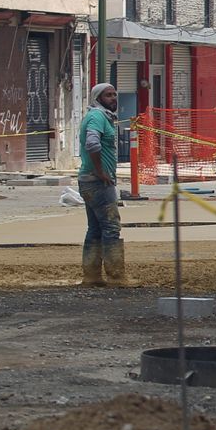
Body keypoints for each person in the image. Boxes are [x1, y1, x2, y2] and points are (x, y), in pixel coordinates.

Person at [78, 83, 126, 286]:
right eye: (108, 95)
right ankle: (116, 276)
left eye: (115, 94)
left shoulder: (99, 116)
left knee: (95, 229)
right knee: (111, 227)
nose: (113, 98)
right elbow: (92, 143)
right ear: (98, 98)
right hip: (97, 182)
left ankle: (92, 276)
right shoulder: (97, 117)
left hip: (88, 180)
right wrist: (100, 171)